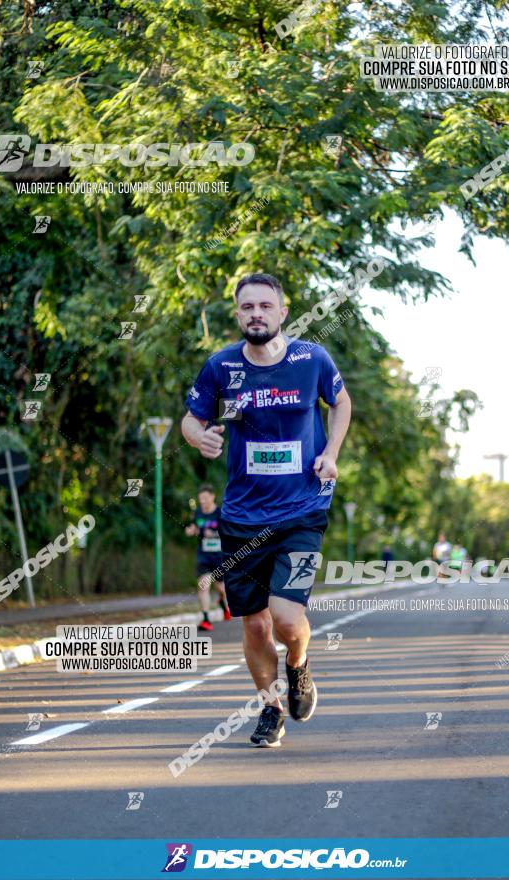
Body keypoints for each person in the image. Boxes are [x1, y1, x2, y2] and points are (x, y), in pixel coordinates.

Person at [182, 272, 351, 748]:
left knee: (287, 618)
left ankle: (298, 668)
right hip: (241, 516)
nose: (256, 313)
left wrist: (332, 453)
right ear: (237, 315)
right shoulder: (220, 367)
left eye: (264, 306)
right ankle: (270, 708)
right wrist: (200, 436)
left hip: (302, 508)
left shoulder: (310, 359)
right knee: (254, 621)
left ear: (282, 312)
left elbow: (340, 402)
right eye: (247, 307)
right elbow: (191, 420)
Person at [185, 484, 231, 632]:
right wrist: (191, 530)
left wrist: (214, 534)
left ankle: (223, 604)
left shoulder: (220, 513)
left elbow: (228, 531)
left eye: (205, 498)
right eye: (200, 499)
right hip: (203, 556)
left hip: (219, 556)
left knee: (221, 588)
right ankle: (205, 619)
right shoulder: (197, 513)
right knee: (203, 585)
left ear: (212, 497)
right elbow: (192, 527)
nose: (203, 501)